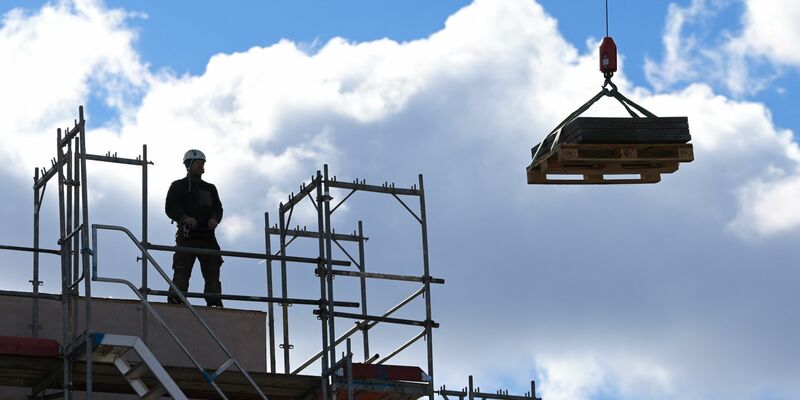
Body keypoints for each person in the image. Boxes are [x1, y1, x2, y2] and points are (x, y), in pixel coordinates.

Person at [165, 149, 225, 307]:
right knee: (182, 271)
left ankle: (214, 302)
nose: (201, 165)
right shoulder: (178, 186)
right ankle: (177, 298)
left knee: (212, 271)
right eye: (198, 162)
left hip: (207, 237)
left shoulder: (210, 188)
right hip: (187, 236)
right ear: (189, 165)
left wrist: (214, 219)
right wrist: (185, 218)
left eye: (202, 163)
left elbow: (218, 208)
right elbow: (170, 208)